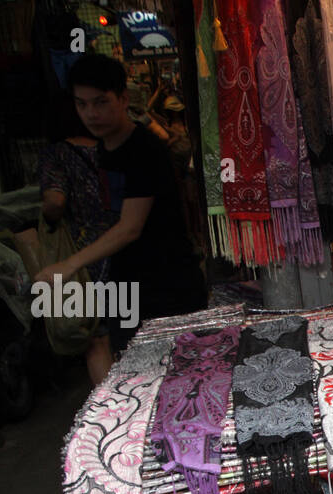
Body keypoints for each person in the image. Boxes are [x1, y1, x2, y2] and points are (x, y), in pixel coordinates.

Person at [35, 53, 206, 380]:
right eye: (82, 104)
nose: (91, 114)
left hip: (167, 287)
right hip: (126, 287)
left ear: (123, 98)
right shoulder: (104, 150)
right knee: (134, 381)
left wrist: (69, 265)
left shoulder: (143, 150)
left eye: (100, 102)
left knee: (181, 381)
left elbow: (129, 227)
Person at [38, 104, 120, 384]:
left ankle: (113, 415)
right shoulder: (110, 148)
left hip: (82, 256)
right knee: (125, 331)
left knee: (96, 340)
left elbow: (55, 202)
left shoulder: (56, 154)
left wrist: (47, 220)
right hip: (118, 246)